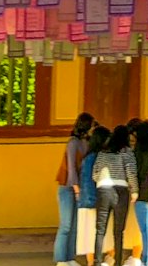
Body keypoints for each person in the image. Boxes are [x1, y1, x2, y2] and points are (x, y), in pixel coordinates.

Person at [93, 124, 139, 266]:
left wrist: (101, 181)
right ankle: (118, 261)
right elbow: (131, 172)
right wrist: (134, 190)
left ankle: (97, 261)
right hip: (121, 191)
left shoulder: (102, 153)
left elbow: (95, 173)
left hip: (103, 190)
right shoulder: (127, 152)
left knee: (100, 229)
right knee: (119, 230)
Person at [56, 110, 94, 266]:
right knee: (66, 224)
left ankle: (70, 258)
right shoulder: (73, 142)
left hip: (80, 187)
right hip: (67, 187)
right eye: (91, 125)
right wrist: (77, 189)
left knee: (75, 225)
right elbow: (71, 167)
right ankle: (60, 259)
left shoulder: (88, 142)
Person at [76, 125, 111, 265]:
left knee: (87, 235)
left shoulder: (87, 158)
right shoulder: (101, 157)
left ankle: (91, 262)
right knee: (103, 233)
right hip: (97, 200)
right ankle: (107, 260)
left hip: (85, 200)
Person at [131, 119, 148, 266]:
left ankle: (147, 260)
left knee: (145, 231)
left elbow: (135, 174)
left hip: (142, 196)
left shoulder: (138, 153)